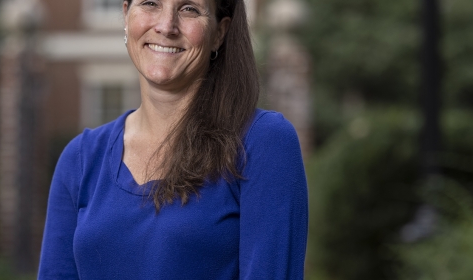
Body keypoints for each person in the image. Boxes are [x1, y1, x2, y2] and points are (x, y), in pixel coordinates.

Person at [38, 0, 308, 279]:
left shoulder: (262, 143)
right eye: (150, 3)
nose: (166, 26)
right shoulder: (80, 160)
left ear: (219, 33)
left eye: (189, 8)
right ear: (125, 15)